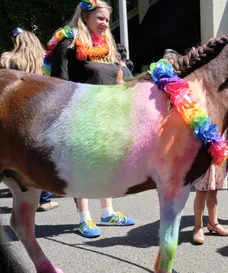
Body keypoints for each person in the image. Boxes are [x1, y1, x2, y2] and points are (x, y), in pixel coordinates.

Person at [46, 0, 135, 237]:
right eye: (100, 18)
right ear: (85, 16)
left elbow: (121, 79)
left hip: (107, 113)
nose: (105, 24)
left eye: (107, 19)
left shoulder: (108, 46)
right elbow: (58, 83)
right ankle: (84, 218)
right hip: (80, 113)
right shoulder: (69, 43)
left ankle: (108, 212)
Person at [0, 28, 60, 212]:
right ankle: (44, 198)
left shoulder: (7, 59)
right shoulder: (43, 60)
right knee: (39, 156)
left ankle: (19, 189)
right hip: (39, 112)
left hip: (14, 113)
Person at [192, 125, 228, 244]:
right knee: (201, 191)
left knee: (214, 191)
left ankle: (213, 223)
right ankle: (197, 226)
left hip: (220, 153)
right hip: (203, 152)